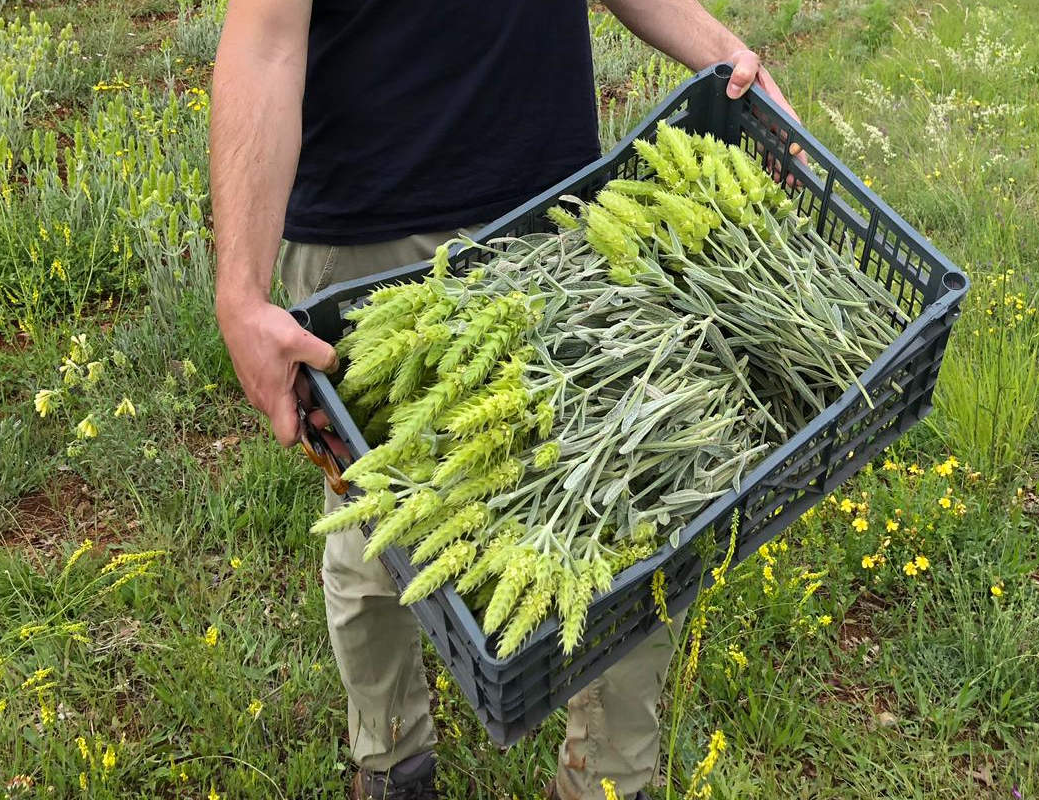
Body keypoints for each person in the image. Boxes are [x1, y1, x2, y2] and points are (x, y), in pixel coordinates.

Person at [211, 1, 798, 797]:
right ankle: (391, 762)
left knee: (631, 506)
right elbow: (267, 38)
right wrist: (239, 293)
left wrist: (728, 53)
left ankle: (606, 781)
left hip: (553, 214)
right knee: (385, 522)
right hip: (370, 231)